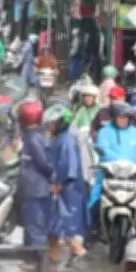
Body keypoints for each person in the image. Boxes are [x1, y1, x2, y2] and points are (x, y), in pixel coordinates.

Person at [89, 102, 136, 259]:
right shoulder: (104, 132)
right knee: (95, 205)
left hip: (131, 177)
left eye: (126, 117)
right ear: (113, 117)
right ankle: (89, 238)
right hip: (110, 176)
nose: (124, 120)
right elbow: (103, 150)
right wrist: (117, 163)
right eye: (121, 117)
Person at [44, 104, 90, 263]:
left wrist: (59, 184)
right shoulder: (61, 139)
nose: (49, 126)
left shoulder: (66, 140)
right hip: (64, 186)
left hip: (67, 189)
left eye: (52, 123)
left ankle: (78, 250)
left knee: (61, 223)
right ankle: (53, 256)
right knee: (54, 227)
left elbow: (68, 166)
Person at [17, 100, 53, 268]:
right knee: (31, 225)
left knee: (35, 226)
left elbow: (44, 164)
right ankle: (30, 258)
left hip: (36, 188)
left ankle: (37, 261)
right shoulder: (33, 136)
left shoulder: (33, 139)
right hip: (33, 187)